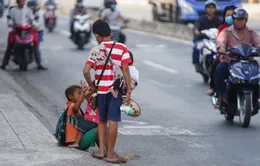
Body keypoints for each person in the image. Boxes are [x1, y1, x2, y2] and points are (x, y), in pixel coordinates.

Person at [83, 20, 132, 164]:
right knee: (113, 120)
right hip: (115, 91)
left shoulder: (95, 50)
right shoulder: (122, 48)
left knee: (102, 120)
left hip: (101, 91)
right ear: (110, 33)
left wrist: (92, 86)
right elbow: (126, 69)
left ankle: (101, 151)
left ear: (97, 36)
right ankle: (110, 154)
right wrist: (128, 90)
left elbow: (86, 71)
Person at [214, 8, 260, 108]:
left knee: (258, 73)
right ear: (233, 20)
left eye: (242, 19)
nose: (240, 22)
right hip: (230, 60)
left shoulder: (251, 32)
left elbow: (258, 41)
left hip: (248, 61)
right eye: (237, 19)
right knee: (220, 69)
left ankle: (257, 98)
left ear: (246, 20)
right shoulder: (226, 31)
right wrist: (221, 47)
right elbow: (221, 41)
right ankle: (220, 97)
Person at [206, 5, 236, 96]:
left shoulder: (245, 30)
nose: (229, 17)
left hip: (241, 56)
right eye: (227, 15)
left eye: (232, 15)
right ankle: (215, 90)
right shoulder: (222, 28)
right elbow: (219, 41)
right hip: (226, 55)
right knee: (216, 64)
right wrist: (222, 48)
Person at [1, 0, 39, 70]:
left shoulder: (28, 10)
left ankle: (38, 63)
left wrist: (34, 25)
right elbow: (9, 19)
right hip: (16, 30)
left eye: (23, 1)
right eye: (21, 1)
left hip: (26, 30)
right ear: (17, 2)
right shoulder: (13, 10)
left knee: (35, 44)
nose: (22, 2)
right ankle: (4, 64)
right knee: (10, 46)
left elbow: (33, 19)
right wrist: (12, 25)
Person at [65, 82, 98, 148]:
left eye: (81, 93)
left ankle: (105, 150)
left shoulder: (69, 105)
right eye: (79, 93)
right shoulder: (71, 106)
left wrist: (85, 94)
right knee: (100, 128)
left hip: (77, 140)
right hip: (76, 142)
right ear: (70, 96)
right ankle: (108, 151)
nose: (81, 95)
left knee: (99, 128)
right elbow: (77, 105)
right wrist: (83, 93)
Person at [192, 0, 221, 72]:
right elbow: (196, 28)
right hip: (203, 40)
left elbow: (222, 28)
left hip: (215, 40)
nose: (211, 9)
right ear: (206, 9)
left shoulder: (218, 20)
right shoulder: (201, 19)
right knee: (196, 47)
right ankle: (197, 64)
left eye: (212, 8)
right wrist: (197, 32)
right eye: (209, 8)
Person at [27, 0, 47, 70]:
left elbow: (39, 24)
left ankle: (39, 63)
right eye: (31, 6)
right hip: (28, 31)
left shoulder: (39, 13)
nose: (33, 7)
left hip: (38, 32)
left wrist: (34, 26)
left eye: (34, 6)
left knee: (36, 47)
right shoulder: (27, 12)